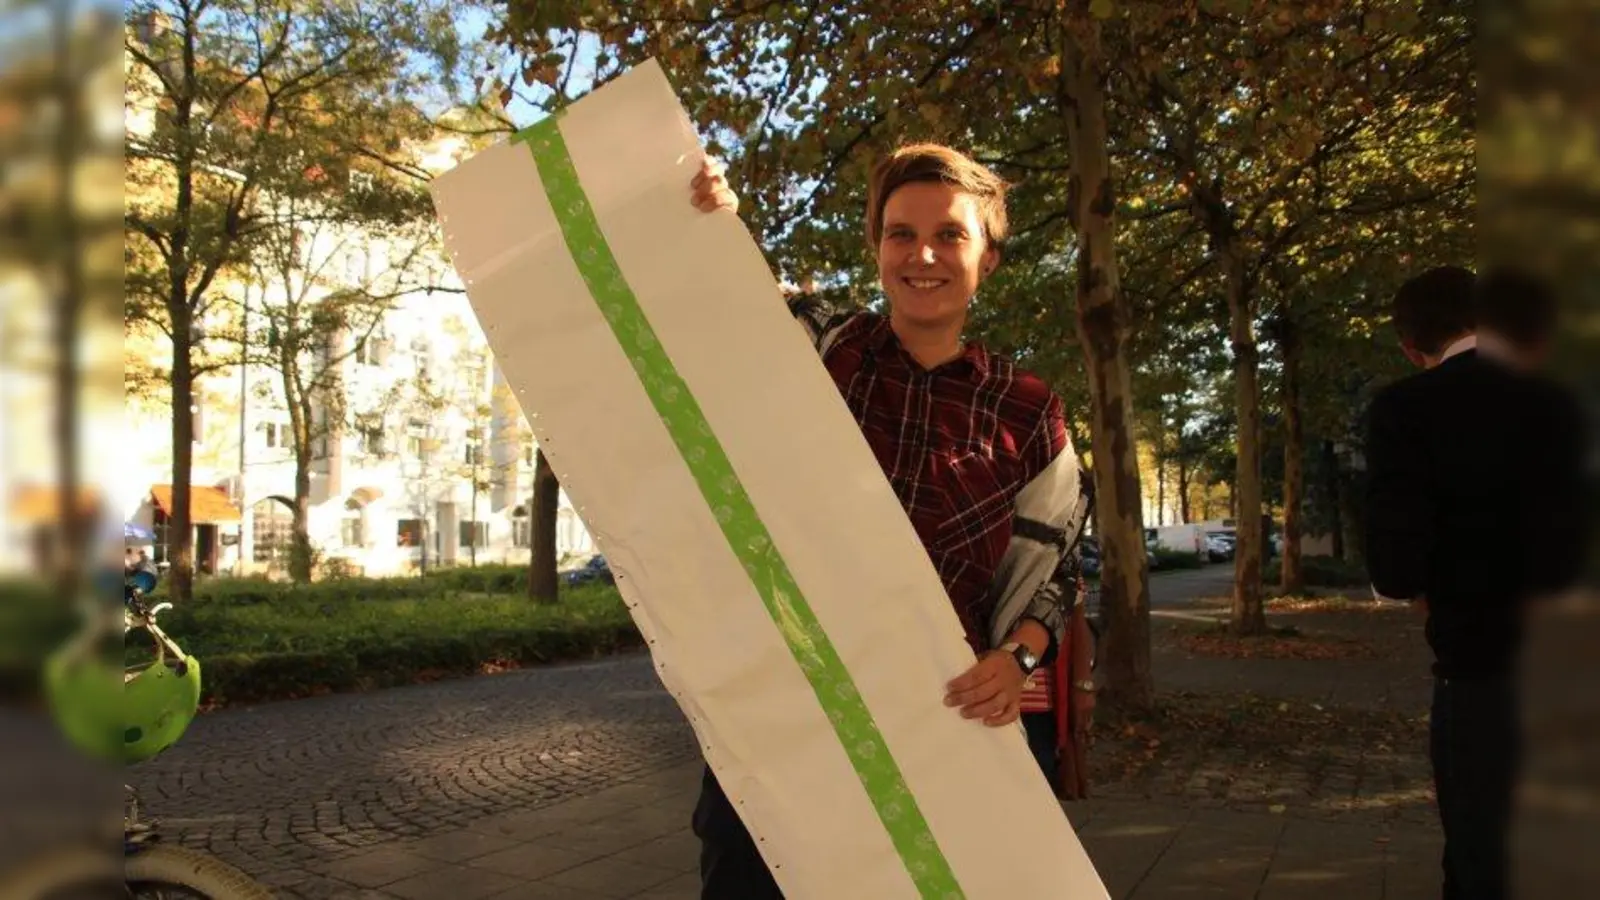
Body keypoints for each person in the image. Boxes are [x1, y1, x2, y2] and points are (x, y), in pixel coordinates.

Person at [688, 145, 1097, 898]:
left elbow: (1060, 569)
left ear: (989, 260)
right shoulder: (823, 345)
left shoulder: (1031, 410)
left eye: (951, 235)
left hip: (936, 732)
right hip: (781, 712)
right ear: (876, 248)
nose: (924, 255)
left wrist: (1016, 661)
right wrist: (708, 218)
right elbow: (724, 293)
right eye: (901, 234)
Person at [1365, 265, 1588, 900]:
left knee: (1482, 862)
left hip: (1483, 677)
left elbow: (1396, 571)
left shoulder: (1407, 411)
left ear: (1411, 347)